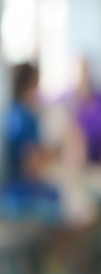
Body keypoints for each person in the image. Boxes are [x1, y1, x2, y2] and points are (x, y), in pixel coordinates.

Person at [1, 63, 61, 223]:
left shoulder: (10, 112)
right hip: (18, 195)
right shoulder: (27, 118)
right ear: (29, 86)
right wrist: (53, 153)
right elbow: (32, 167)